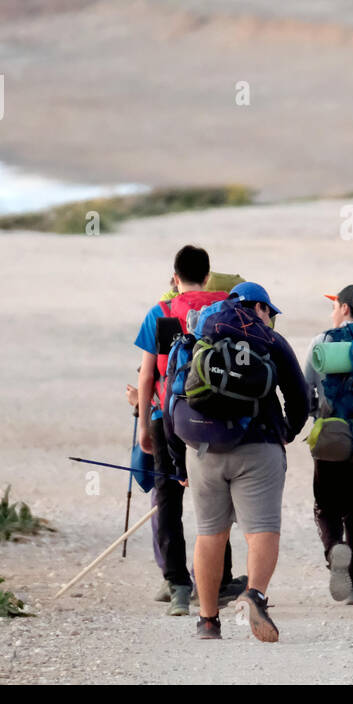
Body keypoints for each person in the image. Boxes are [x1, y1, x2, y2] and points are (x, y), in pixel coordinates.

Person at [181, 282, 309, 642]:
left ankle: (208, 622)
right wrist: (288, 431)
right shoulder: (269, 340)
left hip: (203, 448)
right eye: (271, 311)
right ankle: (254, 594)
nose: (272, 318)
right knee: (262, 530)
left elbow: (176, 392)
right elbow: (298, 395)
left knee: (210, 534)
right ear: (259, 308)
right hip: (259, 446)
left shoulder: (200, 330)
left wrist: (179, 457)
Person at [132, 245, 244, 616]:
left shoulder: (160, 312)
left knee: (168, 496)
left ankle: (178, 585)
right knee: (215, 496)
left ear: (175, 277)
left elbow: (148, 373)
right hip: (215, 413)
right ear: (209, 276)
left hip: (167, 413)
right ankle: (220, 581)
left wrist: (145, 428)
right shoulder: (228, 309)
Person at [303, 284, 353, 605]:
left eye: (335, 306)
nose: (333, 311)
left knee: (326, 504)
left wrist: (315, 418)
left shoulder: (322, 342)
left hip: (332, 435)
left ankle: (335, 546)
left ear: (346, 308)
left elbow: (306, 386)